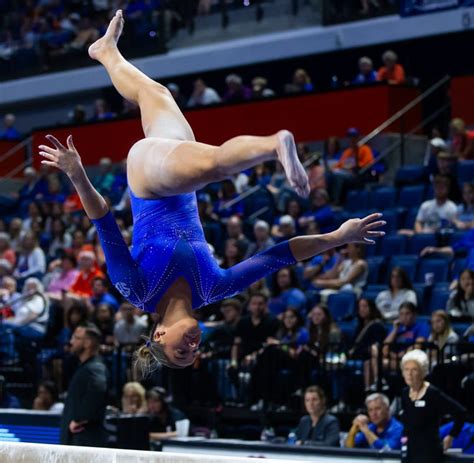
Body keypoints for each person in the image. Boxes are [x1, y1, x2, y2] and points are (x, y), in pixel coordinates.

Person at [39, 10, 384, 369]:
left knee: (216, 166)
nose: (193, 346)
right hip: (179, 173)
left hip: (150, 182)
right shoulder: (212, 288)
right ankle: (107, 52)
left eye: (181, 351)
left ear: (158, 336)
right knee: (153, 93)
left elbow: (105, 222)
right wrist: (338, 237)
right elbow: (280, 255)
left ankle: (274, 145)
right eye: (194, 353)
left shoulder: (137, 289)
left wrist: (77, 174)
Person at [399, 349, 466, 463]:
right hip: (410, 451)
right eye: (406, 369)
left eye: (414, 369)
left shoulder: (433, 393)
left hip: (430, 453)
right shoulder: (405, 393)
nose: (409, 374)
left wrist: (451, 436)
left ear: (423, 372)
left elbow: (461, 412)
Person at [60, 324, 108, 447]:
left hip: (85, 439)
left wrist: (81, 418)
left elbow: (99, 388)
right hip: (78, 439)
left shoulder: (95, 368)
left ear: (87, 343)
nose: (71, 342)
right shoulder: (85, 367)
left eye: (76, 338)